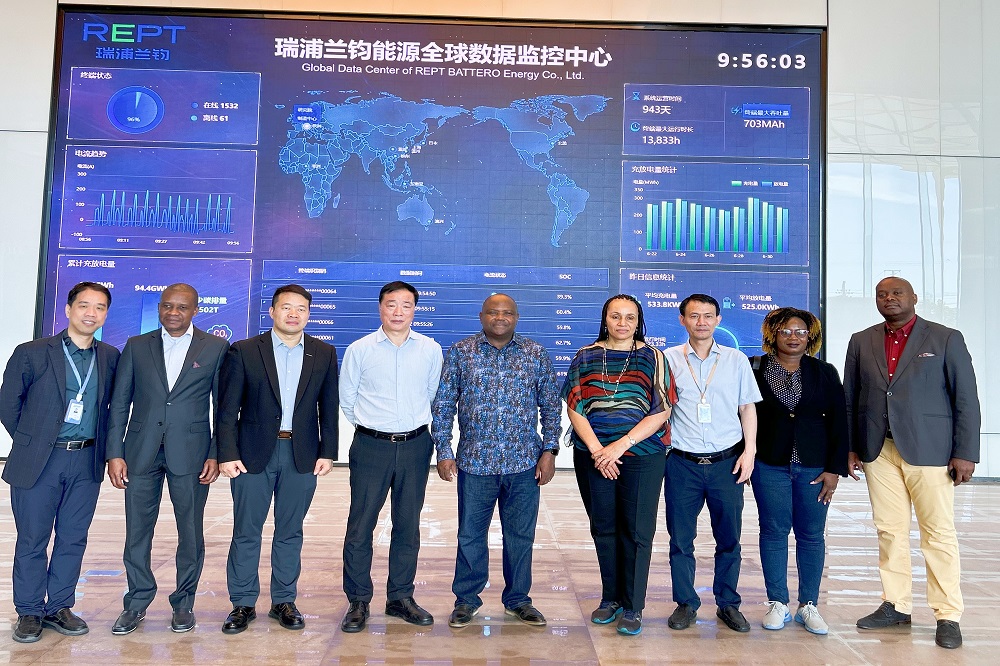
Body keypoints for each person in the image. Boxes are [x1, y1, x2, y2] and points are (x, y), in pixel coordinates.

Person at [844, 276, 980, 650]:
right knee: (889, 530)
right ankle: (896, 605)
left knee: (937, 533)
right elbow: (851, 398)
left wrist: (965, 451)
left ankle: (947, 614)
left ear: (914, 298)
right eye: (882, 294)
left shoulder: (946, 338)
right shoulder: (861, 340)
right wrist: (851, 447)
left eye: (897, 293)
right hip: (879, 451)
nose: (889, 298)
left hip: (930, 451)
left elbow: (966, 398)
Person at [105, 283, 229, 635]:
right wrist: (115, 452)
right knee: (137, 532)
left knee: (190, 532)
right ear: (159, 308)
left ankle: (184, 603)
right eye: (167, 306)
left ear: (195, 310)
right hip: (140, 451)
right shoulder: (136, 345)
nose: (173, 313)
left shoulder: (216, 347)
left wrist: (215, 453)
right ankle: (136, 601)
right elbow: (119, 404)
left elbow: (222, 407)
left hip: (191, 453)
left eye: (182, 307)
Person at [432, 293, 561, 629]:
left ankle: (518, 600)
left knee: (520, 537)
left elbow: (551, 406)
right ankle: (466, 600)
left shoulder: (535, 353)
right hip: (475, 464)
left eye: (507, 313)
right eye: (493, 312)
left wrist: (549, 451)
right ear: (481, 316)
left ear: (516, 317)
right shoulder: (461, 352)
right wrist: (444, 451)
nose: (500, 317)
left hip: (524, 464)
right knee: (470, 536)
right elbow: (443, 404)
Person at [0, 282, 120, 643]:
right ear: (68, 310)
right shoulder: (32, 352)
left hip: (86, 461)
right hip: (41, 461)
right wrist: (32, 443)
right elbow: (8, 404)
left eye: (99, 307)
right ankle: (29, 610)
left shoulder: (110, 357)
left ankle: (59, 606)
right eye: (84, 305)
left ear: (105, 315)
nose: (91, 313)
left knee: (73, 538)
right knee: (33, 538)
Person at [216, 284, 339, 634]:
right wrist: (227, 453)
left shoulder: (323, 352)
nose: (293, 314)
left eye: (301, 308)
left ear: (308, 314)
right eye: (286, 307)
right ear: (272, 312)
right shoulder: (244, 350)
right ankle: (242, 603)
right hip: (252, 454)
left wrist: (328, 451)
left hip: (302, 455)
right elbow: (227, 409)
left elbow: (329, 406)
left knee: (290, 531)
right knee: (246, 530)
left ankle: (284, 600)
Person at [562, 294, 676, 636]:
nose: (622, 323)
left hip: (642, 456)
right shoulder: (585, 356)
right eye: (616, 316)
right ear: (605, 319)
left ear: (638, 322)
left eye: (630, 317)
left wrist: (619, 446)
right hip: (593, 456)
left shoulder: (653, 357)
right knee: (604, 527)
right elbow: (575, 406)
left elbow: (663, 409)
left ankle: (633, 605)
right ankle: (610, 598)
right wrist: (599, 451)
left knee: (637, 532)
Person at [338, 281, 443, 632]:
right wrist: (374, 427)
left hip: (416, 445)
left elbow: (433, 395)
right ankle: (358, 600)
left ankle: (400, 597)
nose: (398, 311)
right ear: (380, 307)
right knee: (360, 525)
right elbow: (347, 399)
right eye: (391, 304)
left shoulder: (430, 349)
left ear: (415, 310)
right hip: (371, 446)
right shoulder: (360, 349)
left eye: (406, 305)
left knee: (407, 524)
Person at [663, 293, 761, 633]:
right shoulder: (667, 360)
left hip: (726, 463)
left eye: (708, 315)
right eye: (694, 316)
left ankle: (728, 603)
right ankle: (686, 603)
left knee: (729, 538)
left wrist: (749, 452)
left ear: (718, 320)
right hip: (682, 463)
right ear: (682, 320)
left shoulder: (736, 360)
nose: (701, 322)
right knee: (680, 540)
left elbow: (747, 408)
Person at [748, 307, 848, 636]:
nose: (794, 337)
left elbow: (839, 422)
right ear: (773, 335)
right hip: (769, 465)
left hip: (814, 467)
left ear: (810, 337)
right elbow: (742, 415)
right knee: (773, 531)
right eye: (786, 331)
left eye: (801, 332)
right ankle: (778, 602)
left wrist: (834, 469)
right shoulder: (754, 368)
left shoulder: (824, 372)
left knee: (811, 534)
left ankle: (809, 605)